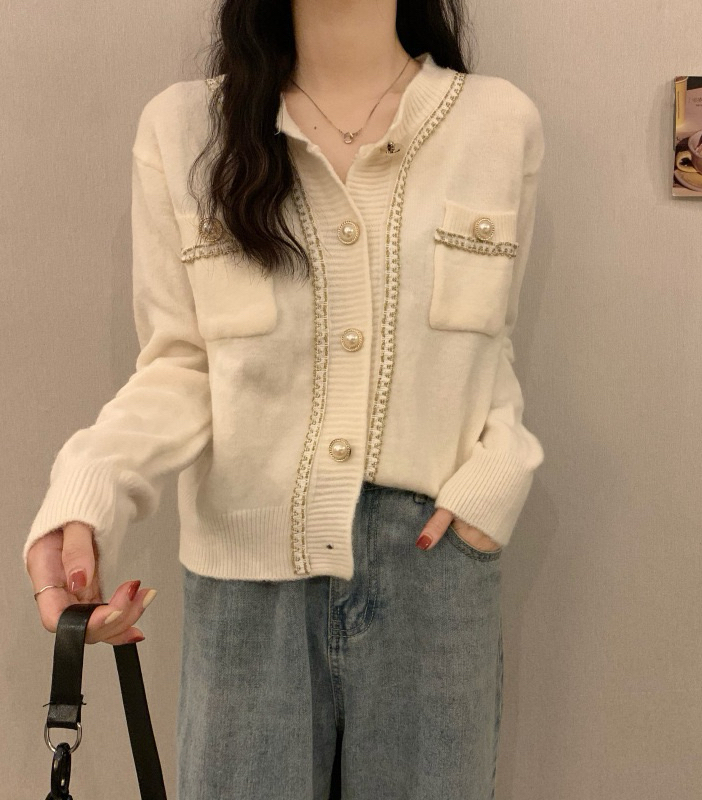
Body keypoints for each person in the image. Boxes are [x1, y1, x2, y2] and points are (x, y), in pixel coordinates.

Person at [23, 0, 546, 796]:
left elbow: (487, 346)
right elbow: (181, 365)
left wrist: (500, 471)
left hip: (432, 573)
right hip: (246, 585)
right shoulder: (184, 129)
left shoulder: (498, 124)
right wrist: (86, 496)